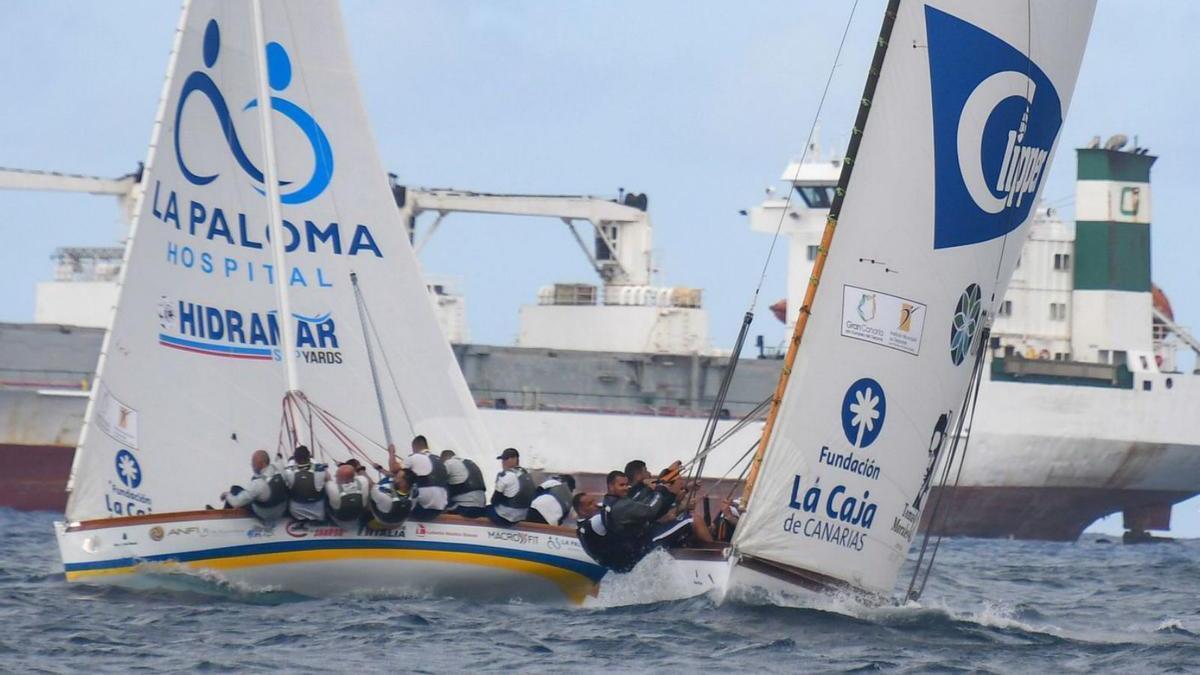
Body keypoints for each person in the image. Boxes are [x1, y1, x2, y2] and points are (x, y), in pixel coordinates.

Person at [220, 449, 288, 523]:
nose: (252, 466)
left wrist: (226, 495)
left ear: (264, 464)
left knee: (234, 490)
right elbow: (280, 462)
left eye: (254, 464)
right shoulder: (279, 469)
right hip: (281, 509)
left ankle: (223, 519)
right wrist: (279, 458)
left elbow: (236, 502)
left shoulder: (258, 484)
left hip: (266, 514)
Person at [390, 435, 448, 521]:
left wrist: (391, 453)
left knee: (397, 483)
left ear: (414, 446)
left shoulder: (415, 457)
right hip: (439, 508)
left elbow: (393, 469)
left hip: (422, 506)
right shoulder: (440, 460)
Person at [487, 448, 535, 526]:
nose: (503, 462)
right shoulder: (527, 474)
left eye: (505, 459)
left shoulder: (507, 475)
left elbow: (494, 500)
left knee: (486, 510)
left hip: (507, 517)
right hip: (523, 516)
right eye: (503, 459)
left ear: (514, 459)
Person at [283, 445, 327, 522]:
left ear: (296, 459)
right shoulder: (320, 470)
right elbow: (327, 478)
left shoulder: (288, 472)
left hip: (296, 512)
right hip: (318, 512)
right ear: (309, 456)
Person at [441, 449, 487, 518]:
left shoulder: (449, 463)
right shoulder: (470, 462)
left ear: (444, 458)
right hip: (481, 507)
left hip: (465, 507)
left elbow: (439, 480)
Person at [325, 463, 370, 531]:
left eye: (337, 475)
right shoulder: (363, 481)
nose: (335, 476)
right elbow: (355, 476)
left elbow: (328, 478)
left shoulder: (333, 489)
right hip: (357, 516)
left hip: (338, 518)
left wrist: (324, 469)